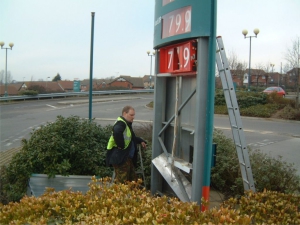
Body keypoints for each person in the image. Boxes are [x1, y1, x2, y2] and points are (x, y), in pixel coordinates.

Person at [106, 105, 147, 183]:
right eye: (131, 115)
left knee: (132, 181)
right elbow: (117, 132)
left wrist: (141, 141)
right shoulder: (121, 123)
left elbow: (131, 138)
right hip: (120, 157)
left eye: (134, 115)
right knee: (122, 183)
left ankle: (132, 194)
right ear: (125, 114)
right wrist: (121, 145)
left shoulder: (126, 124)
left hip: (125, 158)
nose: (133, 117)